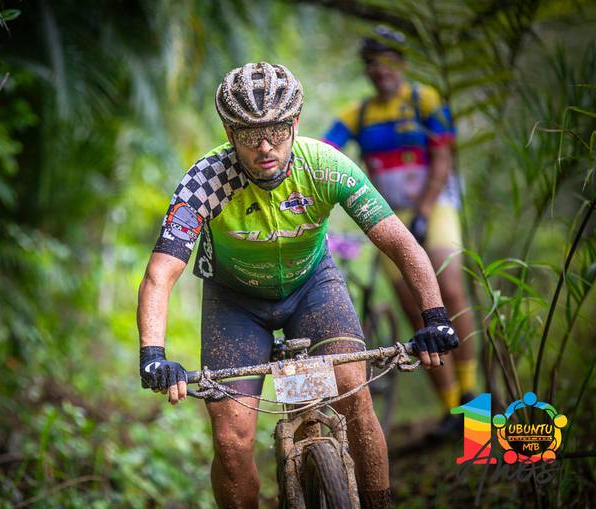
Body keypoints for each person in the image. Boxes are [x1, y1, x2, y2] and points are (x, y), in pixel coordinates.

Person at [137, 61, 459, 509]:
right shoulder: (205, 181)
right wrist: (153, 354)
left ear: (296, 123)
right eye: (249, 135)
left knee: (353, 392)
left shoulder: (325, 166)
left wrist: (435, 317)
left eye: (276, 131)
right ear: (229, 133)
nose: (265, 146)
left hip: (313, 287)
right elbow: (161, 273)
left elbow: (401, 244)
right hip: (235, 302)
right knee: (231, 439)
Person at [323, 26, 477, 439]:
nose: (381, 69)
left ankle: (472, 392)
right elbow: (323, 148)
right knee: (415, 309)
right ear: (366, 69)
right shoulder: (358, 114)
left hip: (435, 204)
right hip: (390, 216)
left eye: (388, 60)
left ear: (402, 63)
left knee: (450, 292)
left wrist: (424, 211)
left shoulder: (425, 100)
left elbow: (442, 158)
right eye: (372, 62)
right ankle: (452, 410)